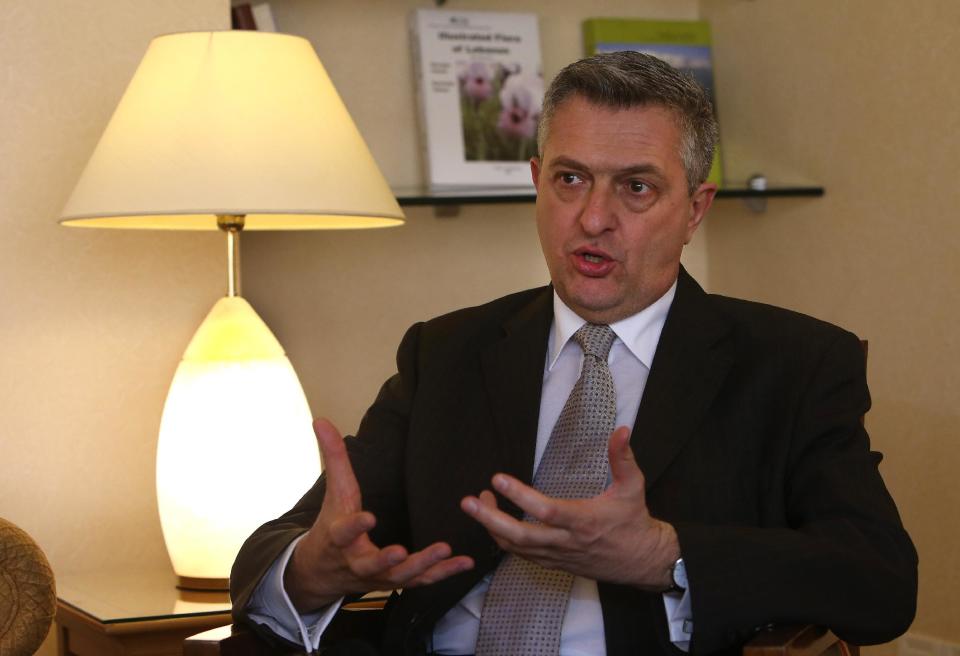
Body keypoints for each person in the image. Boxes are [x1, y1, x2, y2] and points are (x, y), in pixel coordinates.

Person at [230, 51, 917, 656]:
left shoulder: (793, 366)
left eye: (636, 187)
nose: (593, 218)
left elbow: (880, 581)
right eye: (570, 179)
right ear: (537, 180)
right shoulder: (445, 352)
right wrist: (311, 571)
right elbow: (306, 538)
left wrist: (665, 555)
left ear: (696, 208)